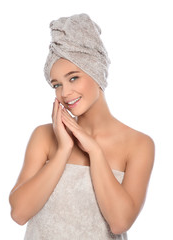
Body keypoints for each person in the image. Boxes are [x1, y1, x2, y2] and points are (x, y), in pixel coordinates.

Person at [9, 13, 155, 240]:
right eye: (56, 84)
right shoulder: (44, 136)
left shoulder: (138, 144)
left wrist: (95, 152)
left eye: (73, 78)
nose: (65, 93)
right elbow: (19, 213)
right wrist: (63, 151)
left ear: (96, 72)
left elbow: (119, 222)